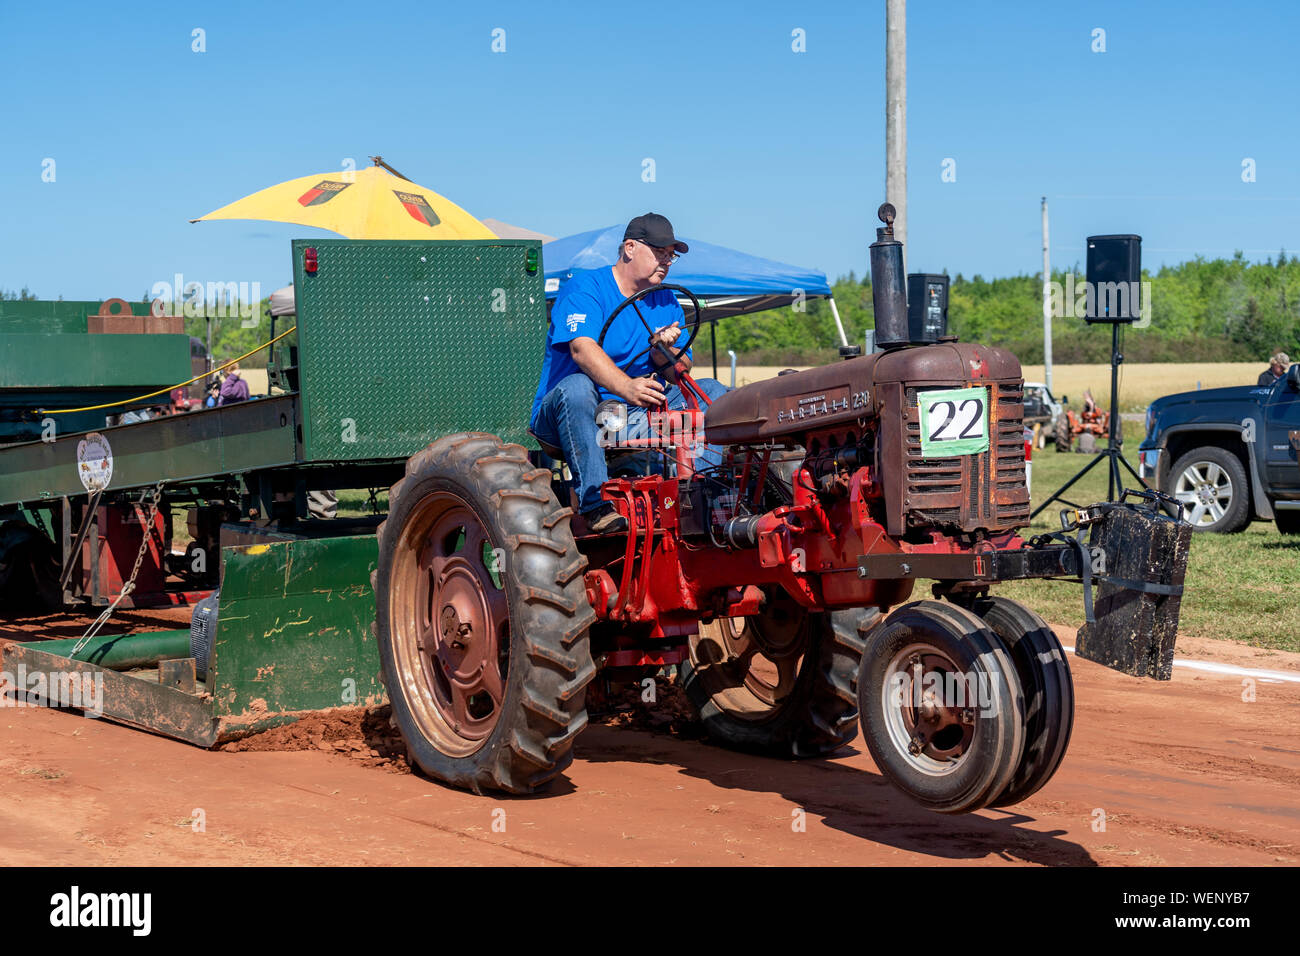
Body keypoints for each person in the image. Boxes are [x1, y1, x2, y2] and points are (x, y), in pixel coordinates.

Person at [530, 213, 729, 534]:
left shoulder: (665, 300)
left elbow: (680, 371)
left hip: (628, 418)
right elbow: (581, 349)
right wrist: (626, 386)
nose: (665, 262)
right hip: (570, 418)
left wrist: (663, 351)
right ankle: (594, 501)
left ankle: (703, 492)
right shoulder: (586, 287)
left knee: (712, 391)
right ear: (630, 248)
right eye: (659, 253)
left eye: (670, 256)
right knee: (578, 387)